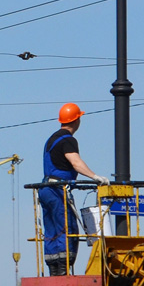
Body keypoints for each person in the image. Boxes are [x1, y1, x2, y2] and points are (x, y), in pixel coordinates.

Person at [40, 102, 110, 276]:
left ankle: (53, 269)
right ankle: (63, 270)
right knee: (67, 228)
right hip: (58, 189)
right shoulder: (68, 140)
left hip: (45, 188)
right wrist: (95, 177)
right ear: (77, 120)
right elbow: (76, 163)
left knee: (52, 229)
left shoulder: (51, 139)